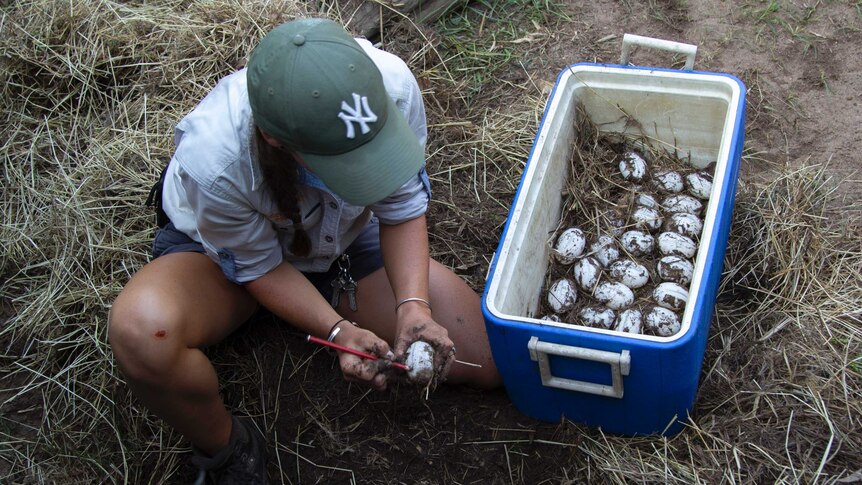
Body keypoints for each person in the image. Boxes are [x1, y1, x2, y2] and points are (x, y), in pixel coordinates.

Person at [108, 17, 501, 484]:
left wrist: (413, 307)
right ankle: (227, 448)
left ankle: (329, 298)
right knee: (141, 333)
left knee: (486, 360)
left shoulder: (389, 85)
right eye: (347, 163)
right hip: (221, 261)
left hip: (343, 239)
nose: (365, 171)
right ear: (278, 142)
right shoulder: (214, 160)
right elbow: (258, 266)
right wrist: (337, 330)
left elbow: (399, 206)